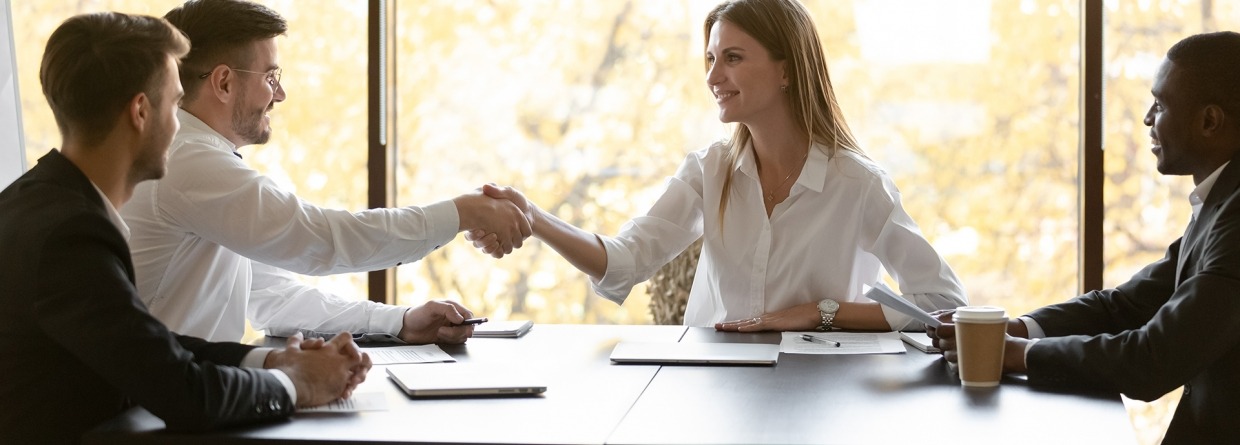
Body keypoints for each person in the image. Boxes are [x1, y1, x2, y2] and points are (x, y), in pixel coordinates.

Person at [472, 0, 966, 332]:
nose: (712, 76)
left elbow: (944, 305)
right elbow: (624, 261)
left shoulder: (857, 184)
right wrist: (534, 219)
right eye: (710, 58)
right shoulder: (707, 172)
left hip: (824, 392)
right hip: (711, 388)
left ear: (786, 69)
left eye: (732, 57)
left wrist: (822, 312)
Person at [0, 12, 371, 443]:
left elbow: (144, 346)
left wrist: (272, 362)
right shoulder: (72, 236)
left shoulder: (37, 201)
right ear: (141, 111)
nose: (181, 124)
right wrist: (298, 385)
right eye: (176, 104)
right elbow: (185, 394)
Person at [121, 0, 530, 343]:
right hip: (155, 417)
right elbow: (319, 239)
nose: (279, 94)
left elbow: (269, 296)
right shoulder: (189, 162)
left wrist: (399, 321)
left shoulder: (199, 159)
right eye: (270, 76)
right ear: (224, 83)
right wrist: (461, 213)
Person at [927, 31, 1240, 444]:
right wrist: (1018, 329)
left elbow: (1153, 360)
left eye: (1160, 105)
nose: (1147, 118)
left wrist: (1013, 355)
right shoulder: (1221, 202)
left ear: (1209, 121)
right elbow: (1126, 305)